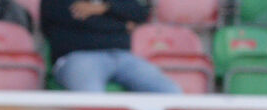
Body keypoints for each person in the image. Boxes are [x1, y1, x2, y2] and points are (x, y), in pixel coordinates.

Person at [40, 0, 181, 93]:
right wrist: (122, 24)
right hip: (78, 56)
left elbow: (140, 12)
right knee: (92, 98)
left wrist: (104, 8)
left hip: (122, 56)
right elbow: (76, 21)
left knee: (169, 91)